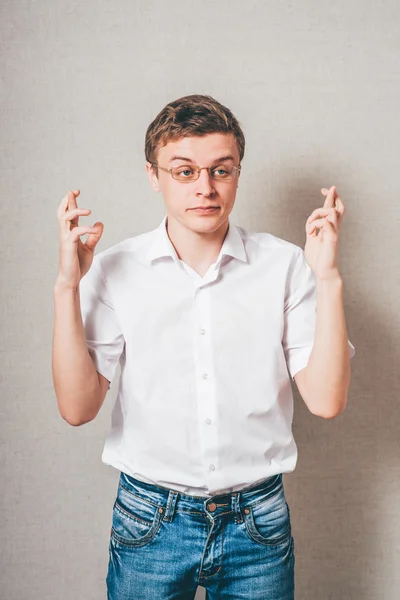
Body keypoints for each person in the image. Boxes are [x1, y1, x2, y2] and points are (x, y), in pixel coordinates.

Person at [52, 94, 355, 600]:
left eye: (221, 170)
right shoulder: (112, 269)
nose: (206, 188)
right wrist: (67, 287)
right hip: (149, 522)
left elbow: (327, 402)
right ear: (154, 175)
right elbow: (77, 408)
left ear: (238, 171)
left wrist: (328, 278)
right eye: (184, 172)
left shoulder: (284, 265)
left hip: (257, 523)